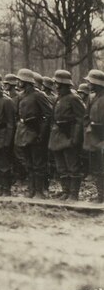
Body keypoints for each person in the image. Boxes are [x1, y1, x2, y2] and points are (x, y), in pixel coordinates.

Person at [14, 68, 53, 198]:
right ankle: (31, 190)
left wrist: (42, 134)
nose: (18, 82)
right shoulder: (20, 95)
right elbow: (17, 115)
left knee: (38, 164)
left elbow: (48, 114)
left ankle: (39, 191)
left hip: (36, 133)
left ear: (26, 81)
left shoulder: (39, 95)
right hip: (24, 134)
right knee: (29, 164)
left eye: (20, 80)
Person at [48, 70, 85, 200]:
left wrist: (75, 138)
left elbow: (81, 120)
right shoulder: (59, 98)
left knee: (72, 166)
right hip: (58, 136)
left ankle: (74, 194)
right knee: (61, 166)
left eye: (58, 84)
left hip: (69, 136)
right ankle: (66, 191)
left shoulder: (74, 98)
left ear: (65, 84)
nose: (56, 86)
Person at [83, 69, 104, 203]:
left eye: (90, 82)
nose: (88, 84)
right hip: (94, 138)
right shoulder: (92, 98)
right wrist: (89, 127)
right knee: (96, 168)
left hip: (102, 138)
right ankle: (101, 194)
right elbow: (85, 116)